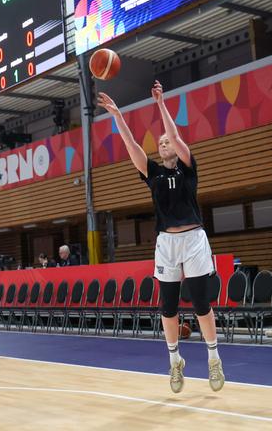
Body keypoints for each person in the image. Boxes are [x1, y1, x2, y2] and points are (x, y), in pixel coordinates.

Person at [98, 81, 224, 394]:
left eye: (169, 141)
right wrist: (117, 116)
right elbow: (131, 147)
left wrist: (160, 104)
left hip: (193, 238)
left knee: (200, 303)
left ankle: (213, 358)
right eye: (162, 142)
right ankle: (175, 362)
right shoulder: (153, 173)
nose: (165, 143)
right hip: (166, 242)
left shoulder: (188, 169)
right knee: (168, 307)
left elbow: (178, 137)